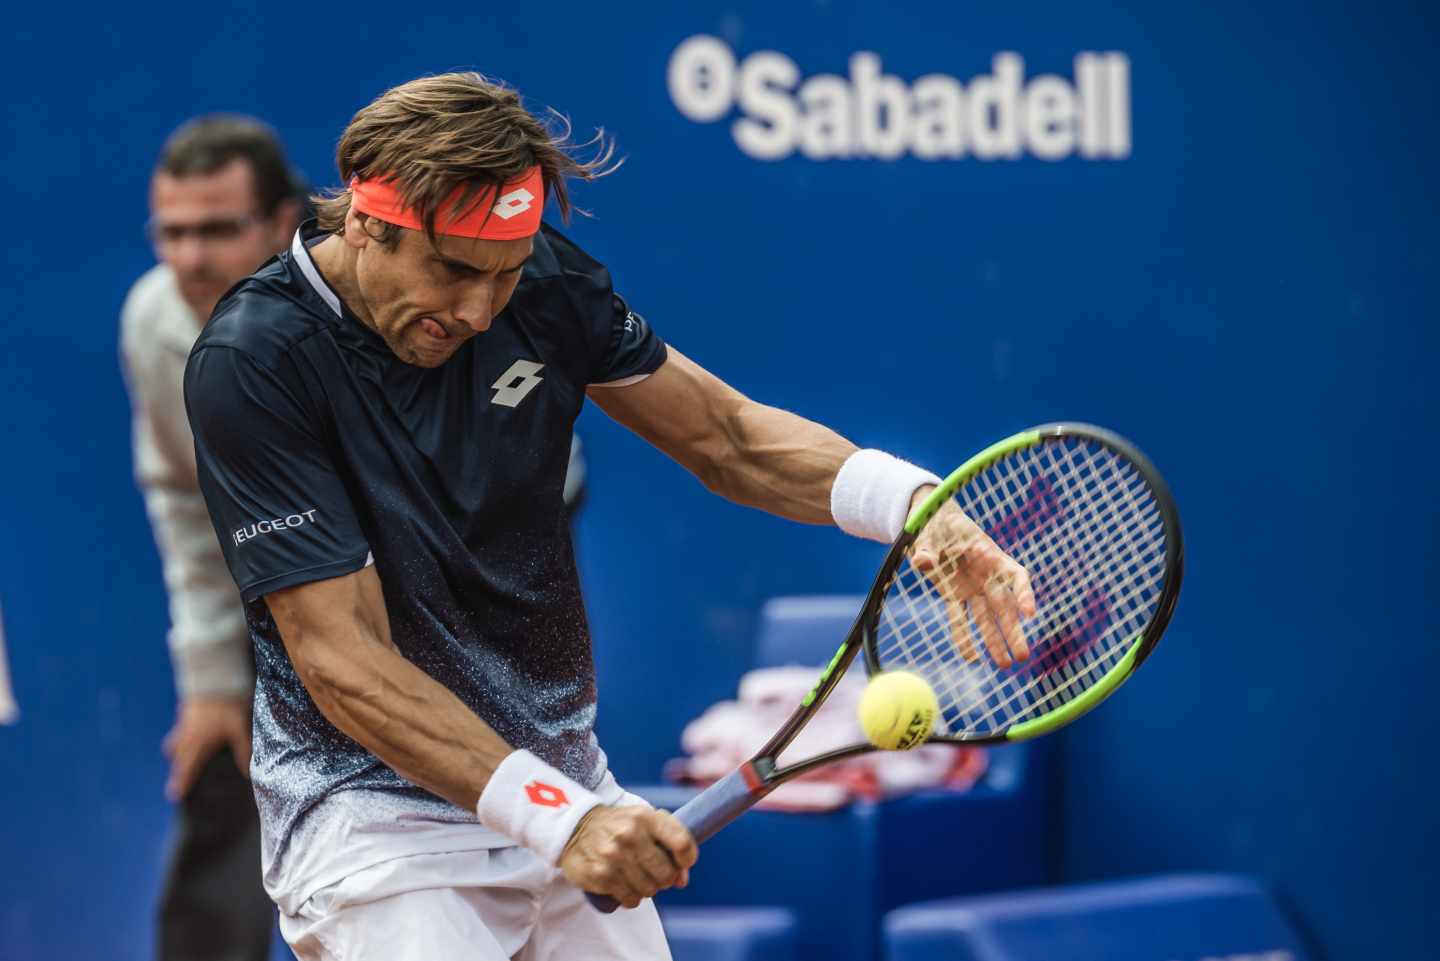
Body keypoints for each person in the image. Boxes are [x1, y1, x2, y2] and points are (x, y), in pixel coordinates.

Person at [183, 72, 1035, 961]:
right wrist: (556, 818)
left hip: (565, 787)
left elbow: (729, 437)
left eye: (505, 275)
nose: (478, 311)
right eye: (454, 270)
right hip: (377, 824)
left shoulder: (545, 287)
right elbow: (342, 660)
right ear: (365, 222)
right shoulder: (256, 360)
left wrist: (914, 506)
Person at [121, 116, 305, 961]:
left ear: (283, 222)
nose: (190, 258)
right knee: (220, 759)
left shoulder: (367, 299)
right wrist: (210, 679)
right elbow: (185, 502)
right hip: (272, 574)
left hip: (445, 560)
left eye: (218, 230)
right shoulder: (156, 318)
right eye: (173, 232)